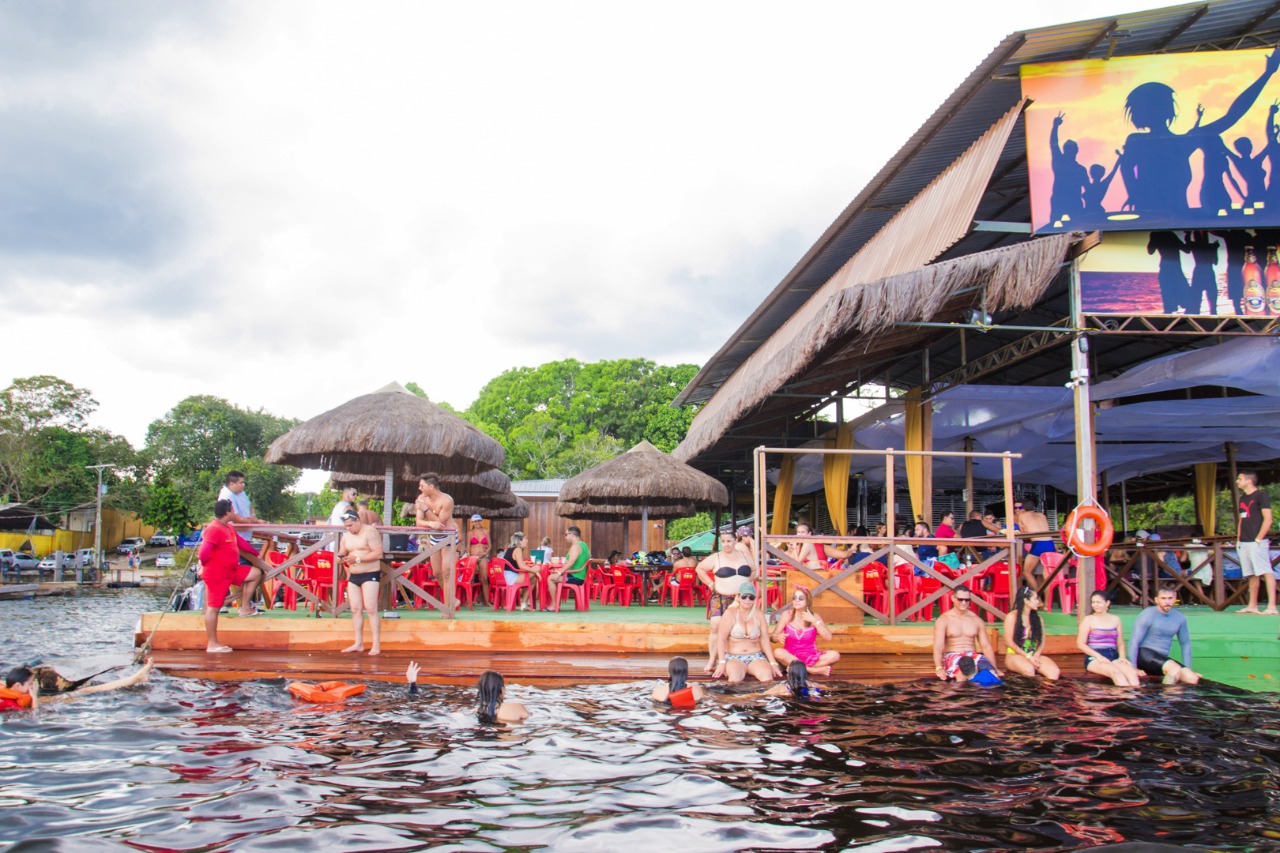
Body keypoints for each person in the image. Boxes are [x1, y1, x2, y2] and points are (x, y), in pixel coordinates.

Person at [198, 499, 271, 653]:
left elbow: (241, 543)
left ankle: (245, 608)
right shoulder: (214, 528)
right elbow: (204, 552)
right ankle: (212, 643)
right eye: (232, 509)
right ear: (227, 512)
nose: (234, 512)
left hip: (232, 570)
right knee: (214, 608)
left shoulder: (229, 527)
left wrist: (256, 554)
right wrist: (203, 566)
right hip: (217, 574)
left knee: (256, 573)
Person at [696, 532, 755, 673]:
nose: (726, 544)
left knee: (738, 627)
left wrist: (747, 583)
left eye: (729, 541)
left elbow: (753, 570)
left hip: (740, 598)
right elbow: (699, 568)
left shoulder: (744, 555)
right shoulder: (717, 557)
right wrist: (710, 584)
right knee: (715, 626)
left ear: (735, 541)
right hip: (721, 596)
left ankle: (734, 657)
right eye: (723, 541)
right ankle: (712, 660)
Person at [2, 660, 155, 711]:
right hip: (44, 702)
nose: (32, 686)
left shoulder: (10, 690)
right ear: (16, 686)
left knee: (86, 690)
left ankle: (136, 678)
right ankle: (136, 678)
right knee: (87, 691)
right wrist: (34, 697)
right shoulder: (9, 703)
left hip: (44, 700)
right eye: (30, 684)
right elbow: (32, 715)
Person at [1130, 583, 1202, 685]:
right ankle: (1165, 698)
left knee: (1191, 678)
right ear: (1156, 600)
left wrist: (1188, 668)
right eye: (1163, 598)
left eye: (1170, 598)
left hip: (1161, 658)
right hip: (1144, 654)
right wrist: (1133, 667)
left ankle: (1174, 698)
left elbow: (1185, 644)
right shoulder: (1147, 614)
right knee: (1174, 669)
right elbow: (1134, 641)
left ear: (1175, 598)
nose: (1167, 602)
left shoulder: (1179, 617)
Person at [337, 507, 385, 656]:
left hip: (369, 573)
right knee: (355, 609)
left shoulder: (370, 532)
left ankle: (376, 644)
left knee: (370, 608)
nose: (348, 528)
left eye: (350, 525)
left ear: (357, 520)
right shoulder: (346, 536)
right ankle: (358, 642)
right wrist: (339, 558)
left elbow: (378, 553)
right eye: (346, 526)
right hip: (354, 574)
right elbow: (341, 552)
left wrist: (357, 559)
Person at [713, 581, 782, 683]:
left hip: (755, 656)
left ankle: (758, 698)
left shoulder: (759, 615)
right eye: (744, 596)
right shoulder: (730, 613)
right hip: (734, 657)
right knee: (735, 679)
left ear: (755, 599)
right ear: (738, 597)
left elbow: (764, 639)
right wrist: (722, 662)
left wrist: (773, 663)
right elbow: (721, 639)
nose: (747, 600)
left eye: (751, 597)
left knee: (767, 677)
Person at [932, 584, 1003, 682]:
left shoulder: (976, 620)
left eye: (967, 600)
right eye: (960, 599)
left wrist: (994, 667)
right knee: (962, 675)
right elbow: (938, 646)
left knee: (992, 675)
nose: (964, 602)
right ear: (953, 598)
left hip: (973, 655)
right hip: (953, 655)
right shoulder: (944, 619)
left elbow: (986, 647)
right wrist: (939, 667)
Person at [1075, 590, 1141, 686]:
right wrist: (1099, 657)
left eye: (1099, 602)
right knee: (1115, 672)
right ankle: (1124, 698)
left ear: (1107, 603)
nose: (1095, 605)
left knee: (1131, 672)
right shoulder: (1088, 620)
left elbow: (1120, 643)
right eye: (1093, 602)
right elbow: (1080, 644)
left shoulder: (1115, 619)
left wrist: (1122, 657)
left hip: (1113, 655)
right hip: (1095, 657)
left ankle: (1134, 698)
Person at [772, 585, 839, 676]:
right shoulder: (786, 615)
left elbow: (828, 637)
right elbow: (772, 637)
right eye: (794, 597)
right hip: (791, 656)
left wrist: (815, 621)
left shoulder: (814, 617)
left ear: (807, 601)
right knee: (778, 652)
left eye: (801, 598)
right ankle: (813, 670)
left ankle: (797, 669)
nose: (797, 600)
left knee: (835, 655)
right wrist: (778, 637)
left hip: (811, 656)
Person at [1235, 469, 1276, 615]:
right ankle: (1252, 605)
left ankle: (1272, 606)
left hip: (1257, 540)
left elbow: (1268, 518)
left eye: (1240, 479)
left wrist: (1259, 538)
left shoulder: (1261, 496)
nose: (1237, 481)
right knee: (1251, 573)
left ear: (1249, 481)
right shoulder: (1242, 499)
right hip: (1244, 541)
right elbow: (1241, 520)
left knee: (1265, 571)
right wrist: (1238, 539)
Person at [414, 473, 457, 606]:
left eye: (422, 485)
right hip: (434, 537)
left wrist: (426, 509)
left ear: (431, 486)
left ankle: (448, 606)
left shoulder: (447, 501)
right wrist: (430, 524)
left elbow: (441, 523)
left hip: (448, 537)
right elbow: (419, 522)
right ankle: (452, 599)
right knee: (437, 572)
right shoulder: (421, 498)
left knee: (447, 572)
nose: (419, 488)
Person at [1001, 587, 1060, 681]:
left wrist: (1036, 655)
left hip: (1033, 654)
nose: (1038, 602)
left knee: (1054, 672)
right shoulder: (1012, 617)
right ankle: (1030, 695)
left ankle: (1045, 694)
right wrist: (1028, 657)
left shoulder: (1038, 618)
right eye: (1035, 599)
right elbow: (1008, 642)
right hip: (1015, 655)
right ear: (1026, 601)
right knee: (1029, 670)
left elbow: (1042, 640)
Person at [546, 526, 589, 609]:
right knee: (554, 576)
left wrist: (559, 572)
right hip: (580, 576)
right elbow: (588, 558)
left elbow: (571, 562)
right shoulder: (584, 545)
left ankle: (554, 605)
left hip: (576, 577)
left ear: (571, 534)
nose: (565, 537)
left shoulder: (576, 546)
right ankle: (555, 603)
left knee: (550, 578)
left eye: (566, 535)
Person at [1014, 501, 1054, 589]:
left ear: (1023, 509)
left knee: (1027, 572)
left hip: (1038, 543)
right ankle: (1047, 602)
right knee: (1047, 576)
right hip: (1050, 543)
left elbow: (1023, 532)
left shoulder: (1022, 516)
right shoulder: (1042, 515)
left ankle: (1037, 598)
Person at [467, 514, 492, 601]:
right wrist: (470, 557)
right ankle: (469, 601)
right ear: (472, 522)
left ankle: (486, 601)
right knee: (471, 579)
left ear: (481, 521)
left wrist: (485, 553)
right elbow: (468, 547)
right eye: (475, 521)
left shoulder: (485, 532)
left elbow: (489, 546)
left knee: (484, 579)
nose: (477, 523)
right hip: (473, 557)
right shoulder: (470, 533)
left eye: (478, 521)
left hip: (482, 557)